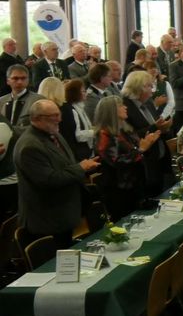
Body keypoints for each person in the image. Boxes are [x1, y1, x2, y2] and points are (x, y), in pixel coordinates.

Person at [13, 99, 101, 248]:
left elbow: (67, 164)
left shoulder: (54, 134)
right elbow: (49, 180)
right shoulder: (29, 146)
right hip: (46, 219)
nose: (59, 119)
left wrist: (83, 166)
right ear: (36, 118)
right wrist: (81, 168)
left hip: (64, 213)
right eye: (53, 116)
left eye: (58, 114)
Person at [92, 95, 159, 221]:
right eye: (121, 105)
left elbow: (137, 152)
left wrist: (147, 145)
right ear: (111, 111)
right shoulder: (103, 135)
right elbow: (116, 161)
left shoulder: (125, 130)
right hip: (119, 190)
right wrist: (141, 149)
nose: (125, 107)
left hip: (135, 184)